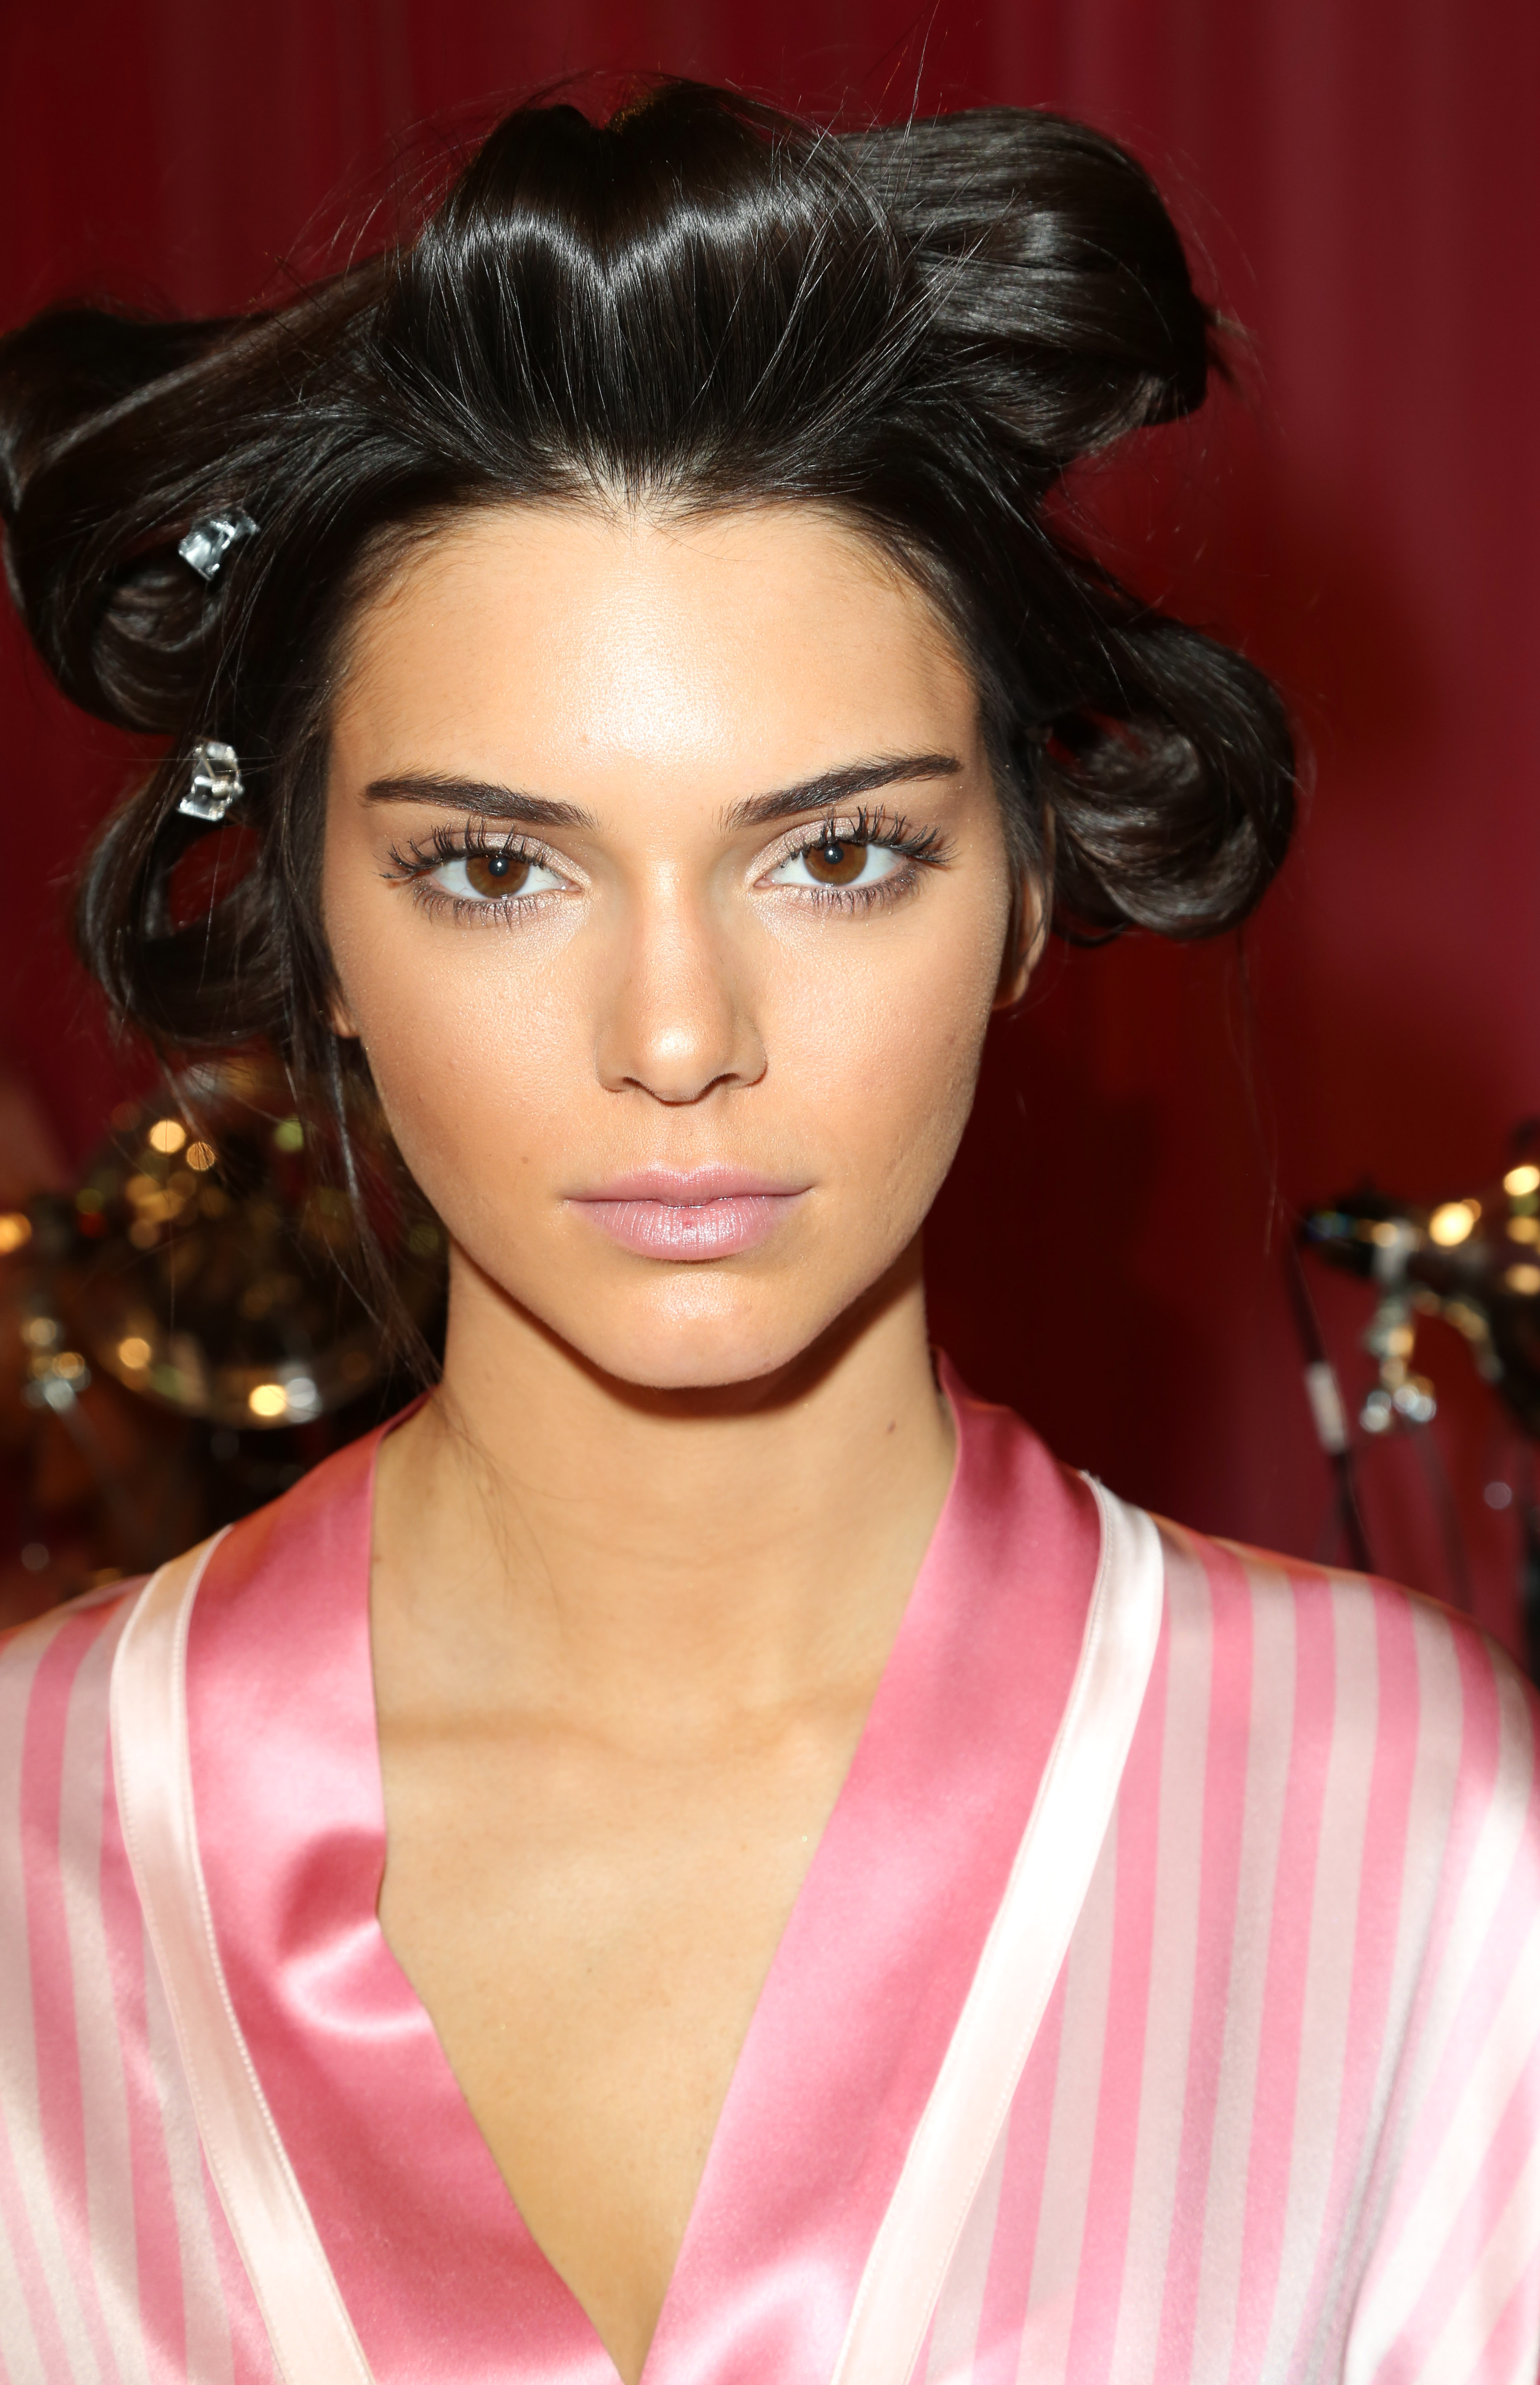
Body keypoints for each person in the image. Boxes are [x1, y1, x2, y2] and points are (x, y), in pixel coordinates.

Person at [0, 79, 1535, 2385]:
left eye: (834, 855)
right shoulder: (30, 1850)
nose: (678, 1035)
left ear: (1030, 883)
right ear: (314, 920)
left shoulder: (1394, 1829)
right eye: (494, 867)